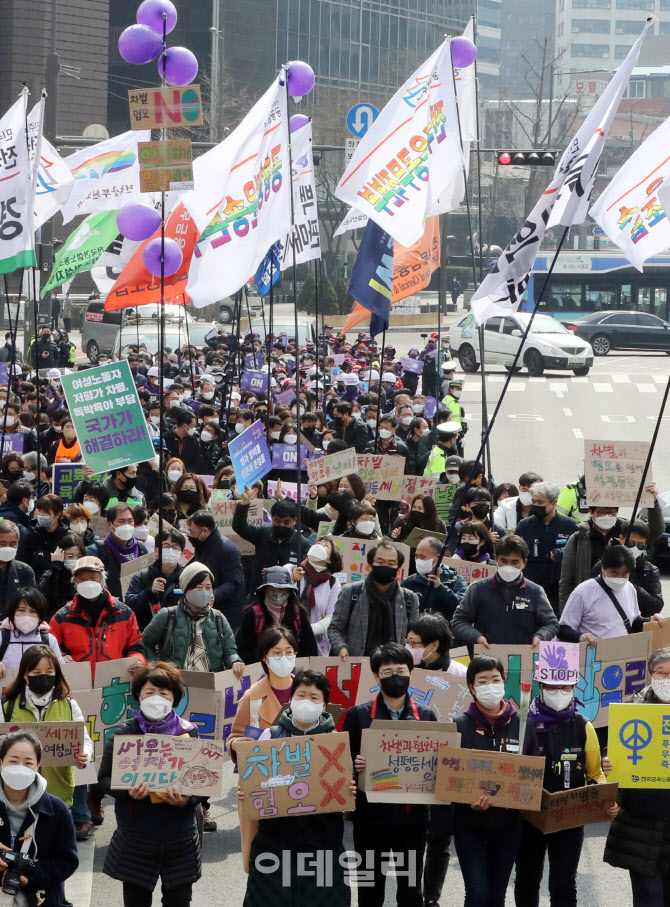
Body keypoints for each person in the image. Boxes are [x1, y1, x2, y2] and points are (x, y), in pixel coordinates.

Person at [240, 669, 354, 906]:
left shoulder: (336, 743)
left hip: (322, 844)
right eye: (301, 695)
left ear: (324, 705)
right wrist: (247, 792)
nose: (306, 702)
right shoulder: (268, 737)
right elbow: (254, 782)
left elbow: (346, 785)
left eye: (314, 697)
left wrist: (349, 789)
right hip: (275, 843)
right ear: (290, 700)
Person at [98, 662, 203, 907]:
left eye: (164, 693)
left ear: (175, 698)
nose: (156, 698)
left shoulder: (189, 734)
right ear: (138, 697)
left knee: (179, 901)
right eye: (149, 692)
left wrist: (187, 799)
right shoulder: (125, 734)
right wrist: (127, 792)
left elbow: (203, 784)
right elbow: (103, 780)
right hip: (137, 836)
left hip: (180, 836)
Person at [343, 642, 437, 907]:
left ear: (410, 672)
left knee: (409, 890)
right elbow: (340, 766)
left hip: (412, 819)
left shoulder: (428, 716)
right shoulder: (358, 716)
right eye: (387, 671)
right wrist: (355, 766)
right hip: (371, 819)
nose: (396, 675)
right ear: (375, 676)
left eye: (401, 669)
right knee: (370, 889)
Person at [514, 661, 614, 907]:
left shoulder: (583, 725)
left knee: (563, 883)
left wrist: (605, 799)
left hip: (569, 817)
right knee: (527, 879)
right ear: (541, 687)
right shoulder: (521, 722)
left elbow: (595, 773)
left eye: (565, 687)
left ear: (573, 688)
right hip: (527, 817)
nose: (559, 693)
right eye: (552, 687)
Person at [603, 646, 670, 905]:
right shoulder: (632, 711)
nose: (666, 679)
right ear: (651, 675)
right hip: (640, 821)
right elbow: (616, 756)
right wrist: (610, 765)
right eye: (660, 672)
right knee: (647, 896)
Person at [454, 655, 522, 907]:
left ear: (504, 681)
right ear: (472, 687)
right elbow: (449, 777)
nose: (490, 685)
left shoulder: (522, 724)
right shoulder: (459, 726)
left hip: (509, 824)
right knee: (477, 893)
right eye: (482, 681)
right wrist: (466, 800)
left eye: (495, 679)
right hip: (469, 823)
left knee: (496, 895)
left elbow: (535, 768)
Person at [2, 645, 93, 812]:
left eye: (49, 672)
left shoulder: (69, 705)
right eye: (36, 673)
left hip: (58, 793)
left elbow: (84, 739)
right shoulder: (6, 706)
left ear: (56, 674)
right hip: (15, 793)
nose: (43, 677)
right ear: (25, 675)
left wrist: (85, 755)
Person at [0, 730, 79, 906]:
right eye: (13, 761)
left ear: (38, 765)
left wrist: (31, 874)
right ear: (1, 763)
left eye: (28, 763)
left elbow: (68, 861)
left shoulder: (56, 810)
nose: (20, 767)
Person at [558, 485, 664, 610]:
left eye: (611, 512)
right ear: (591, 512)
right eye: (601, 512)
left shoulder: (628, 532)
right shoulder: (579, 538)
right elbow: (567, 581)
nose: (606, 516)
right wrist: (568, 613)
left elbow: (656, 530)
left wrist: (654, 502)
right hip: (591, 604)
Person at [451, 535, 559, 648]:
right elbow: (459, 621)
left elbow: (551, 624)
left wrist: (540, 636)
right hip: (486, 657)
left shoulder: (535, 591)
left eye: (514, 562)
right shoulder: (477, 588)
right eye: (504, 561)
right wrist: (477, 637)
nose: (508, 566)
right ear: (496, 559)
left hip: (522, 657)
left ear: (524, 563)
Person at [142, 561, 245, 675]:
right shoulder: (167, 615)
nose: (204, 592)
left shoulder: (218, 618)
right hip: (174, 683)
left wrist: (235, 661)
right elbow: (145, 643)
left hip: (209, 684)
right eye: (199, 588)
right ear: (186, 589)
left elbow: (230, 650)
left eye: (208, 587)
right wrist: (156, 667)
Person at [328, 538, 419, 658]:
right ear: (370, 564)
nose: (385, 567)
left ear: (398, 567)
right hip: (356, 663)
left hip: (394, 665)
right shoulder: (351, 592)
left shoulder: (409, 599)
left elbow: (415, 637)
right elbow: (335, 628)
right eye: (380, 562)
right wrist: (341, 647)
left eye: (391, 563)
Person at [558, 545, 663, 644]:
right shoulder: (583, 592)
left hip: (622, 653)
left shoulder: (630, 588)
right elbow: (562, 630)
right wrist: (579, 636)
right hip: (594, 655)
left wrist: (650, 620)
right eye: (614, 573)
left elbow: (634, 621)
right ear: (603, 568)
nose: (620, 578)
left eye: (625, 574)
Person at [514, 481, 577, 612]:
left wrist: (562, 553)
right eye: (534, 502)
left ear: (553, 503)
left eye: (540, 502)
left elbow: (578, 553)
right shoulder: (524, 526)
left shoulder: (571, 526)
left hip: (559, 588)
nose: (536, 505)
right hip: (530, 586)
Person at [232, 487, 309, 593]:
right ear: (272, 517)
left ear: (294, 521)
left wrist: (279, 573)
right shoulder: (263, 533)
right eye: (277, 521)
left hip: (287, 595)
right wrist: (244, 503)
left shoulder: (303, 544)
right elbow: (239, 526)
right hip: (258, 592)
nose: (281, 525)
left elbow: (307, 571)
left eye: (286, 522)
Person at [236, 566, 318, 665]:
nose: (278, 595)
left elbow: (310, 648)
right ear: (264, 591)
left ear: (289, 591)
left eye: (282, 591)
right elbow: (244, 650)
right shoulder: (251, 614)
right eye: (272, 590)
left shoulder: (299, 613)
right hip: (261, 672)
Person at [185, 510, 245, 631]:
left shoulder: (227, 549)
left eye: (191, 532)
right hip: (204, 609)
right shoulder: (201, 544)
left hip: (227, 613)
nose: (189, 535)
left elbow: (233, 582)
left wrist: (212, 595)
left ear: (204, 531)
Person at [591, 519, 663, 618]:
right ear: (621, 539)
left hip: (638, 627)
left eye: (641, 545)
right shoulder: (603, 565)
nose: (635, 548)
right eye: (631, 543)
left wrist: (630, 587)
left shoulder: (650, 570)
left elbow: (656, 605)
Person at [289, 540, 343, 657]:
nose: (319, 545)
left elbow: (331, 617)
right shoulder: (291, 570)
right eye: (318, 542)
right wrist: (291, 581)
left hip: (315, 644)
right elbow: (277, 600)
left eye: (325, 546)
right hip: (287, 640)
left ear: (329, 559)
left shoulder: (333, 584)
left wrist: (309, 630)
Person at [125, 529, 186, 631]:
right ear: (157, 550)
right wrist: (149, 592)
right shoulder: (141, 577)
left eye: (175, 547)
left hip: (179, 635)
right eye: (166, 546)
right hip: (147, 636)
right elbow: (129, 607)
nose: (170, 550)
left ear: (181, 552)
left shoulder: (187, 577)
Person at [87, 503, 148, 600]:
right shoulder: (97, 550)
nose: (126, 525)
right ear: (110, 524)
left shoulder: (141, 548)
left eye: (130, 521)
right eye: (121, 521)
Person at [401, 536, 467, 620]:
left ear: (438, 558)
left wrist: (441, 588)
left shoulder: (454, 580)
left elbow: (462, 607)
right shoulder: (409, 582)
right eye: (416, 556)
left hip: (444, 631)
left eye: (422, 557)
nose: (418, 560)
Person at [0, 588, 63, 673]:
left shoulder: (49, 640)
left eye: (33, 611)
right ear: (13, 613)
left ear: (40, 615)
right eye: (21, 610)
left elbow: (61, 671)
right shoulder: (2, 637)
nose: (27, 616)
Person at [17, 493, 69, 581]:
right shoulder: (31, 535)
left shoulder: (67, 536)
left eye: (45, 512)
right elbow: (21, 563)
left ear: (57, 514)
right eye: (39, 511)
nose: (41, 515)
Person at [37, 533, 86, 619]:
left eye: (79, 556)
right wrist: (56, 567)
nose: (75, 560)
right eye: (70, 556)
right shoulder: (52, 574)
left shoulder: (87, 576)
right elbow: (45, 596)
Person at [0, 520, 36, 619]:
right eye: (2, 543)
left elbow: (32, 604)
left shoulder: (24, 571)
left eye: (13, 544)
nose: (8, 548)